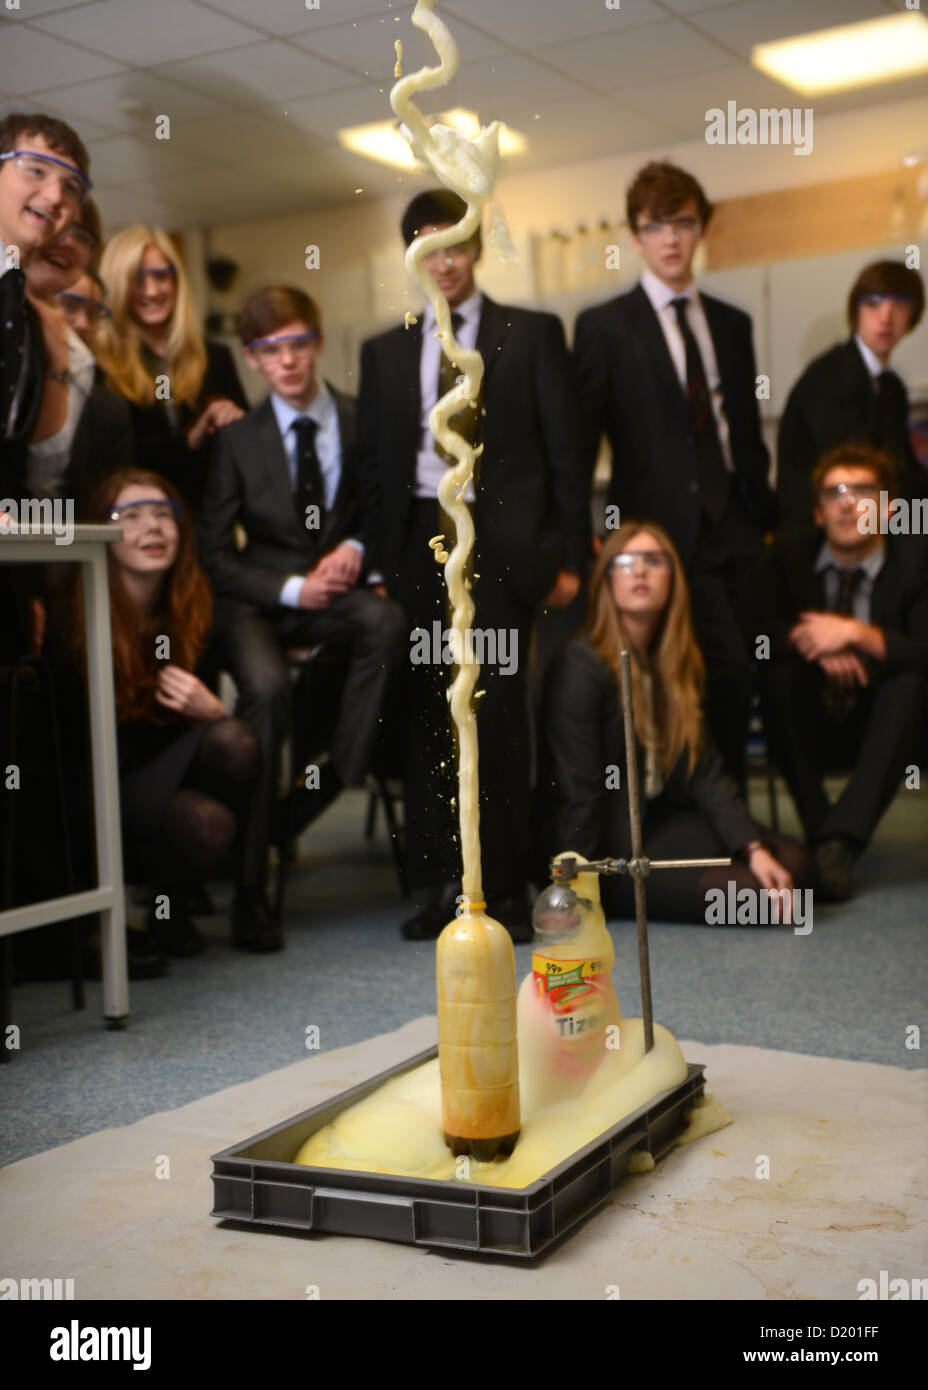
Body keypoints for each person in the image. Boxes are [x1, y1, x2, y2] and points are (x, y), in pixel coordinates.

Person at [357, 188, 591, 940]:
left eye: (455, 242)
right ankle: (441, 887)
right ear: (413, 258)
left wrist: (572, 556)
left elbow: (568, 457)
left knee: (496, 718)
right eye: (427, 245)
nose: (444, 259)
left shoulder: (532, 332)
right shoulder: (384, 350)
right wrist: (379, 566)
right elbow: (376, 468)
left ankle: (507, 886)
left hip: (503, 554)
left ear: (476, 248)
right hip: (420, 555)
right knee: (430, 715)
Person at [198, 286, 406, 926]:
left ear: (317, 343)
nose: (286, 361)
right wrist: (290, 589)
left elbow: (383, 507)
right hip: (259, 601)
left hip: (336, 594)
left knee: (389, 623)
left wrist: (357, 547)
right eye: (269, 350)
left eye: (296, 344)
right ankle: (253, 889)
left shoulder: (356, 418)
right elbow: (213, 553)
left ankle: (335, 777)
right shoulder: (237, 441)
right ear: (253, 360)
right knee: (266, 690)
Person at [574, 161, 778, 790]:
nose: (670, 238)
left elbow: (739, 427)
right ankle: (716, 819)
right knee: (701, 673)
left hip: (737, 524)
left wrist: (761, 509)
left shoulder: (732, 323)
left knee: (755, 671)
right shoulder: (604, 327)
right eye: (654, 225)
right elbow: (582, 441)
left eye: (683, 223)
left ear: (701, 228)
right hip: (656, 534)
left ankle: (740, 820)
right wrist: (586, 534)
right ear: (635, 236)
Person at [541, 521, 811, 924]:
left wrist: (752, 847)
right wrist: (579, 887)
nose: (640, 571)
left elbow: (704, 772)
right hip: (610, 849)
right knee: (763, 899)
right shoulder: (581, 665)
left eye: (654, 560)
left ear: (673, 580)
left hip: (657, 824)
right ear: (606, 579)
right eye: (625, 561)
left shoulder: (671, 664)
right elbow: (576, 793)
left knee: (795, 864)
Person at [51, 469, 268, 964]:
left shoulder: (191, 604)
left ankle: (170, 911)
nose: (152, 528)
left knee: (234, 743)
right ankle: (104, 924)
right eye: (130, 516)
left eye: (162, 515)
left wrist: (210, 714)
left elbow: (200, 744)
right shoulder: (73, 614)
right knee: (201, 816)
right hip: (90, 794)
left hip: (159, 779)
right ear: (99, 532)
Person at [759, 444, 928, 901]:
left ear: (890, 509)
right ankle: (824, 834)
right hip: (813, 724)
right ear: (818, 512)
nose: (848, 502)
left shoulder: (917, 561)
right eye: (835, 492)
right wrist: (808, 637)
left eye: (863, 490)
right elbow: (750, 638)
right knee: (777, 676)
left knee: (912, 684)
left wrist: (857, 634)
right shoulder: (789, 554)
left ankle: (838, 844)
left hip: (891, 735)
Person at [90, 224, 246, 515]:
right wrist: (191, 438)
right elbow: (114, 465)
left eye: (161, 276)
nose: (151, 291)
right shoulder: (98, 364)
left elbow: (244, 452)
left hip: (207, 526)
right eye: (137, 279)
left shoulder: (216, 356)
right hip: (131, 525)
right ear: (117, 284)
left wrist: (233, 418)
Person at [777, 261, 926, 524]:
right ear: (855, 312)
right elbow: (853, 467)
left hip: (869, 510)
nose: (886, 317)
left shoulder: (893, 388)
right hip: (818, 523)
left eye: (899, 306)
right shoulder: (829, 375)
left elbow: (901, 467)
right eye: (873, 304)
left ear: (912, 318)